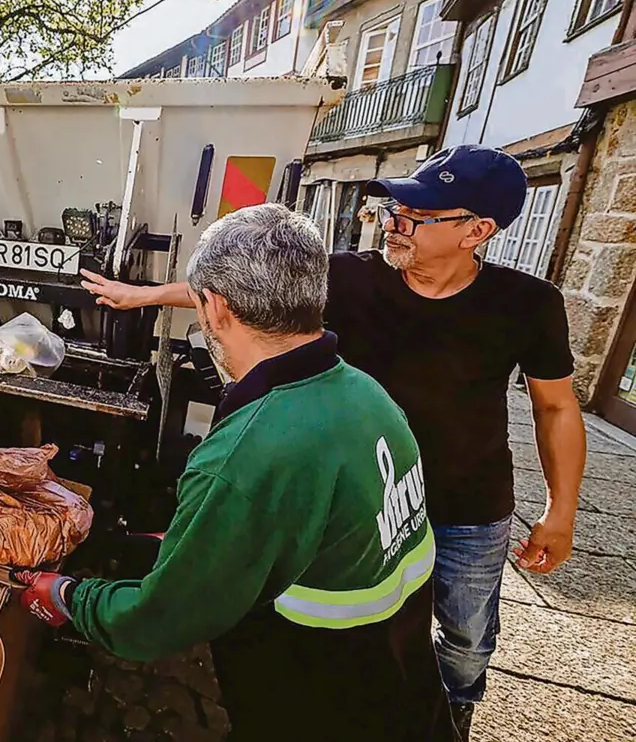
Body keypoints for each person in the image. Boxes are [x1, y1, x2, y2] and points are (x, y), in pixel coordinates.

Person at [75, 145, 587, 738]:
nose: (393, 224)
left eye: (415, 217)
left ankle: (454, 711)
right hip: (354, 490)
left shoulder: (527, 304)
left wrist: (561, 511)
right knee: (365, 614)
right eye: (394, 211)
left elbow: (556, 406)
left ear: (477, 230)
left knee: (466, 636)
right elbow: (238, 292)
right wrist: (142, 295)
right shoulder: (350, 275)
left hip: (465, 501)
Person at [16, 204, 457, 741]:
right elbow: (329, 525)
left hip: (314, 704)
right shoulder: (367, 396)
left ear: (216, 308)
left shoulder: (244, 456)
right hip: (406, 692)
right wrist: (196, 539)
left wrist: (68, 597)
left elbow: (157, 620)